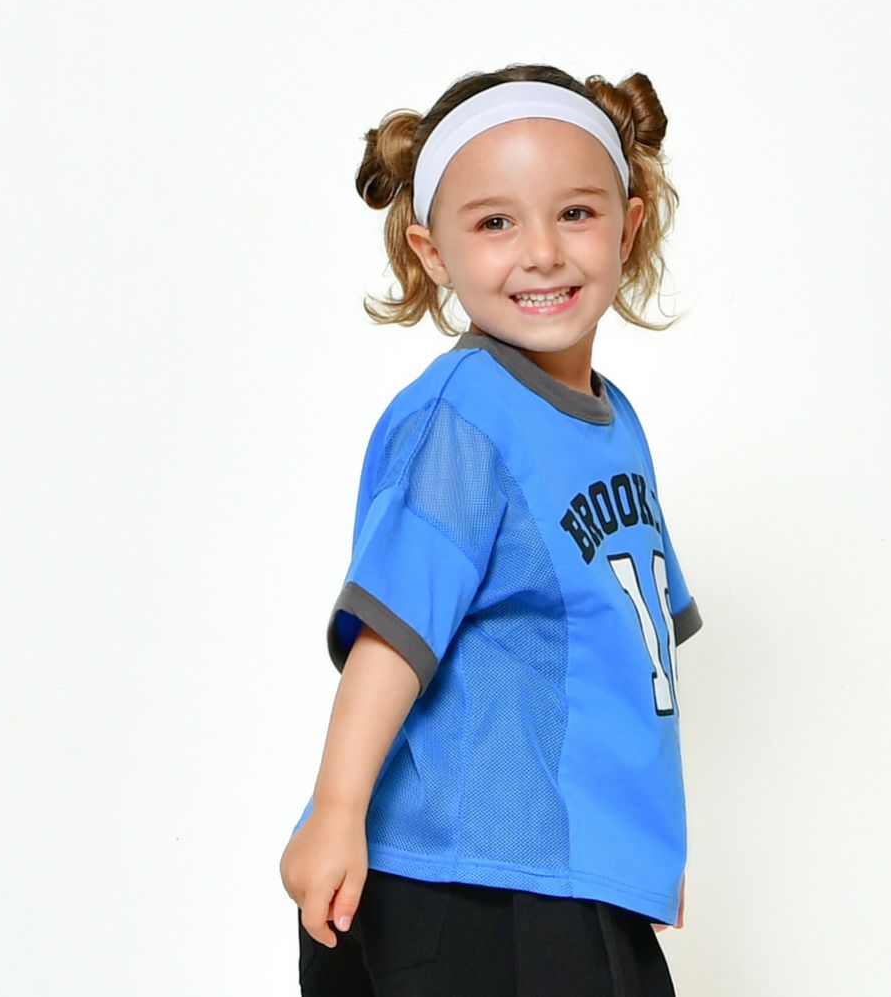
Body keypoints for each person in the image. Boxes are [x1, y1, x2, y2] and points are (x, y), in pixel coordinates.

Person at [279, 62, 703, 997]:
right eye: (495, 223)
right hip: (466, 883)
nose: (541, 252)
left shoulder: (615, 425)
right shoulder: (465, 413)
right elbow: (395, 631)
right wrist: (337, 809)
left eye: (576, 213)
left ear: (628, 228)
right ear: (433, 253)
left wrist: (639, 851)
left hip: (570, 881)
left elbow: (627, 669)